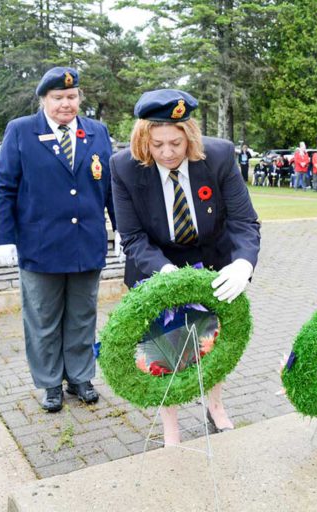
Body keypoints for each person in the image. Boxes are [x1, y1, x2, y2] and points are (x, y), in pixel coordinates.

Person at [110, 89, 260, 446]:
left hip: (211, 260)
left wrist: (242, 263)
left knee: (213, 339)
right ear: (143, 139)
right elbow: (132, 236)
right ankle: (171, 425)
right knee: (166, 344)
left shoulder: (219, 156)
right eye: (157, 144)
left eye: (176, 143)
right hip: (156, 263)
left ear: (190, 136)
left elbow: (243, 221)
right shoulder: (123, 167)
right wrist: (165, 275)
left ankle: (215, 406)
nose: (167, 153)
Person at [0, 66, 118, 413]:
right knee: (43, 319)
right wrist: (2, 237)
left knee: (82, 316)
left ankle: (80, 376)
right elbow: (5, 187)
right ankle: (49, 382)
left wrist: (121, 228)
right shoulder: (21, 131)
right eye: (58, 97)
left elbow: (110, 185)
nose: (66, 104)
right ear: (44, 100)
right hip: (40, 245)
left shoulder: (96, 131)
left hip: (85, 243)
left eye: (72, 96)